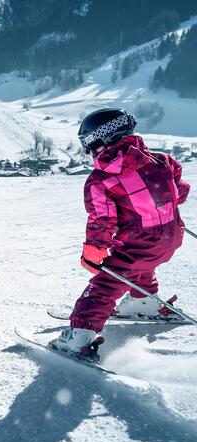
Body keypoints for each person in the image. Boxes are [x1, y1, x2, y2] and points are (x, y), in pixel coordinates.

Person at [50, 108, 190, 358]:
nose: (88, 150)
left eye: (89, 143)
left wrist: (94, 251)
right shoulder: (162, 160)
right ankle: (142, 301)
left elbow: (102, 220)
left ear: (102, 139)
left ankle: (80, 334)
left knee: (106, 283)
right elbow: (179, 192)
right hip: (171, 236)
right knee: (140, 264)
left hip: (141, 243)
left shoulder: (102, 180)